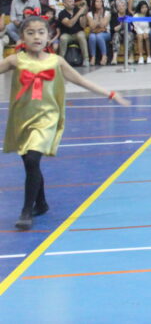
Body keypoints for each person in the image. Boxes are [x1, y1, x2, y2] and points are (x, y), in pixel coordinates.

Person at [2, 14, 128, 230]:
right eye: (30, 33)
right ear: (22, 37)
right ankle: (41, 203)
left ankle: (26, 211)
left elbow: (81, 80)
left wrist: (110, 93)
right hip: (22, 118)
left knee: (32, 159)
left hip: (47, 118)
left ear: (49, 36)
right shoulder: (15, 60)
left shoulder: (56, 61)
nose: (36, 37)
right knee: (30, 163)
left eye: (41, 32)